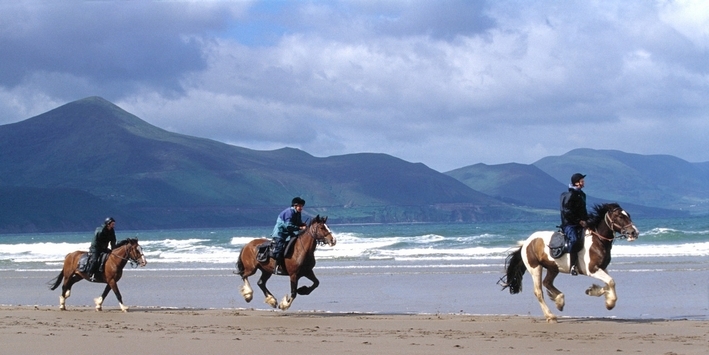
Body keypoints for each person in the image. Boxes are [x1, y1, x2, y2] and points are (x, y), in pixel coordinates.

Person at [560, 173, 588, 276]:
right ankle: (572, 266)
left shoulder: (582, 194)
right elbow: (567, 212)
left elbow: (583, 211)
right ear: (576, 182)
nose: (583, 182)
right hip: (570, 224)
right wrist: (578, 221)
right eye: (582, 180)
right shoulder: (570, 195)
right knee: (574, 240)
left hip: (580, 223)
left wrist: (588, 220)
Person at [271, 197, 306, 274]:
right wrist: (300, 227)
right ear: (295, 206)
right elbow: (288, 226)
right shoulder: (289, 212)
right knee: (279, 249)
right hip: (280, 233)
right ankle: (276, 266)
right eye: (299, 206)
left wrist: (303, 225)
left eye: (301, 206)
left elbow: (298, 223)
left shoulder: (298, 213)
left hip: (289, 233)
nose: (301, 208)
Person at [88, 217, 117, 281]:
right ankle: (90, 274)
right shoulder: (100, 230)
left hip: (104, 248)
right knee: (95, 260)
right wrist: (99, 249)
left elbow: (113, 241)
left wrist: (113, 250)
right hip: (95, 248)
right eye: (112, 224)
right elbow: (96, 241)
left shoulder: (111, 231)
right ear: (108, 224)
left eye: (114, 224)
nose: (113, 225)